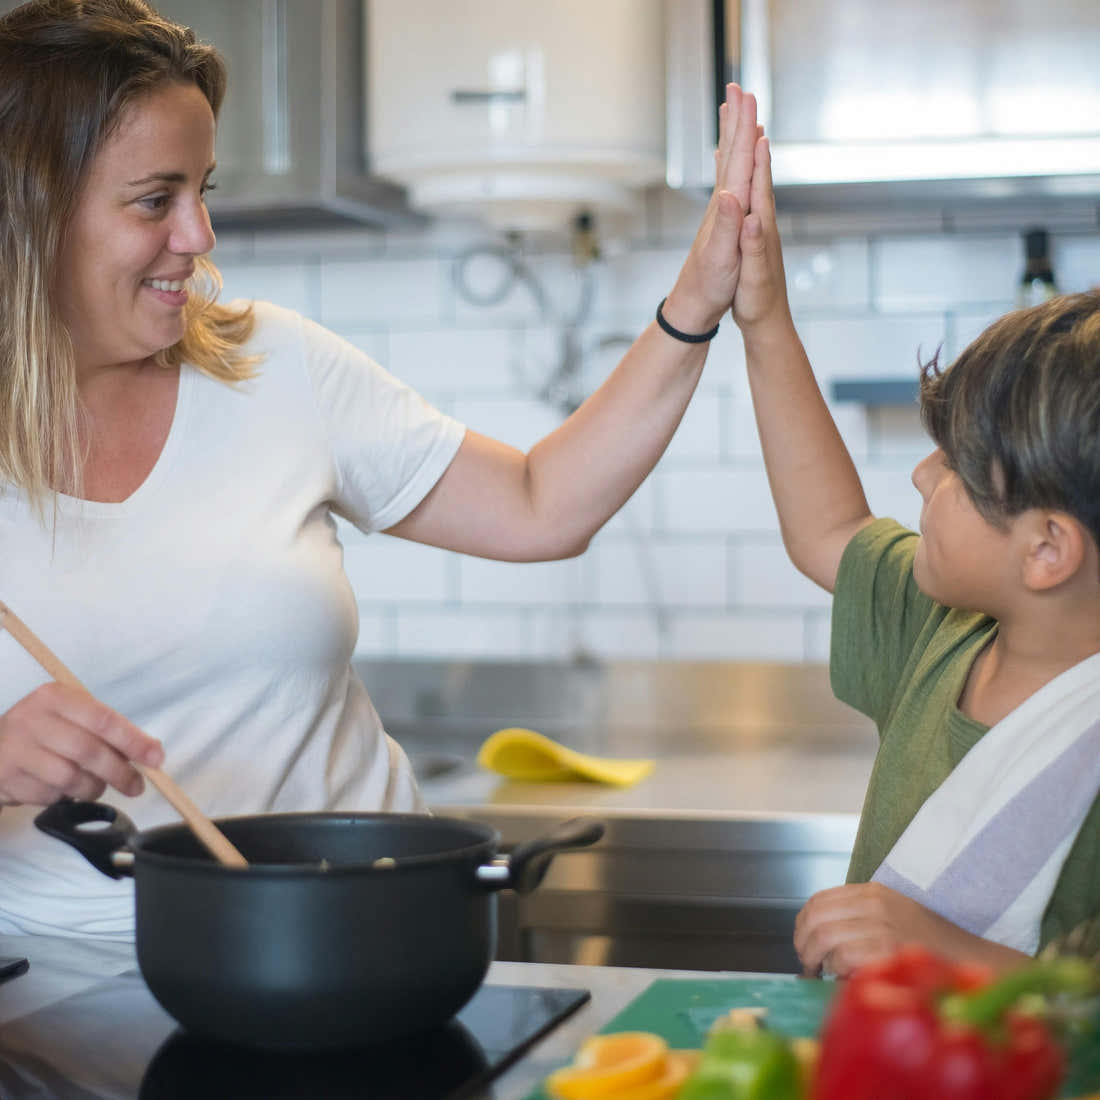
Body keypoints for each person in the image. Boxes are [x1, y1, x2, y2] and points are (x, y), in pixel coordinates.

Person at [0, 0, 759, 939]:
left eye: (203, 189)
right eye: (156, 199)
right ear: (29, 214)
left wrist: (696, 302)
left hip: (367, 939)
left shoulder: (275, 366)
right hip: (70, 988)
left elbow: (538, 506)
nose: (199, 236)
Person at [723, 87, 1100, 976]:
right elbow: (829, 529)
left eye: (958, 474)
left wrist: (940, 950)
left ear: (1046, 551)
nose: (922, 476)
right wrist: (764, 313)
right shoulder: (947, 629)